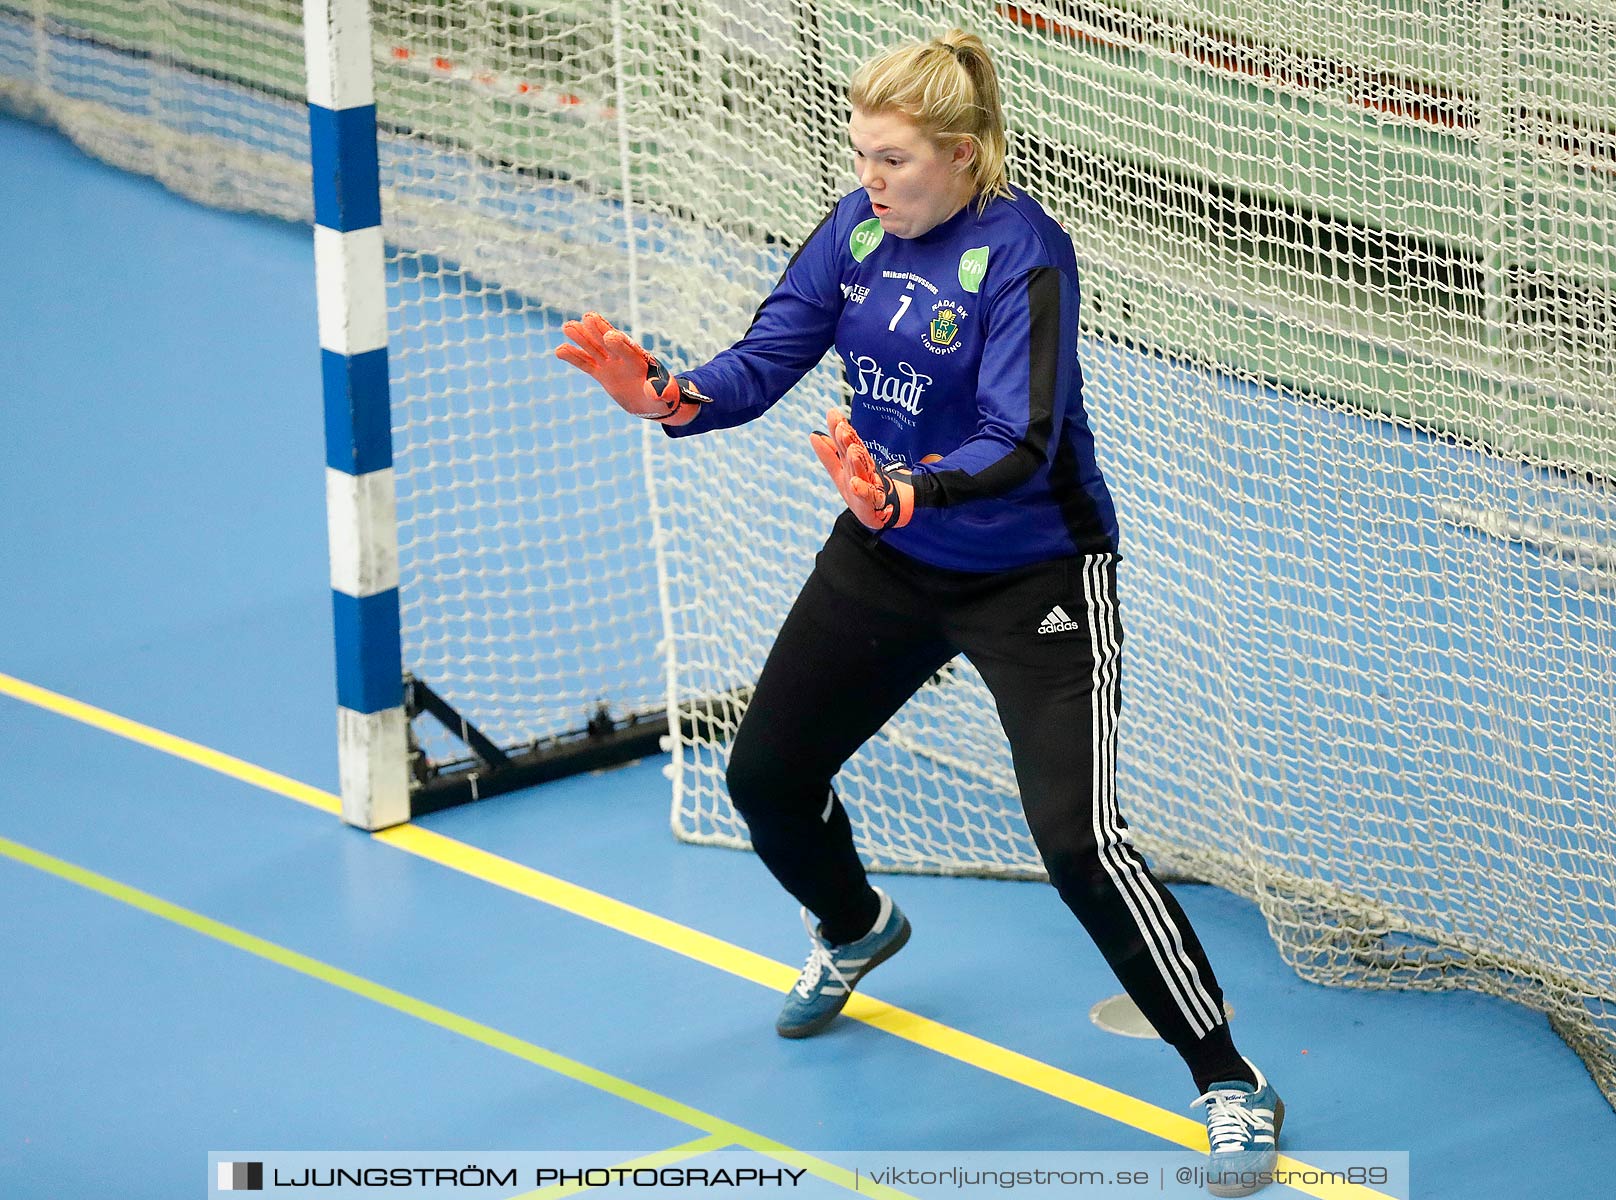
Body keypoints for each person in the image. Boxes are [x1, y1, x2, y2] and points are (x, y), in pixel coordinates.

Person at [557, 28, 1284, 1196]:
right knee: (765, 779)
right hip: (887, 555)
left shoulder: (1024, 258)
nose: (870, 179)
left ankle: (1226, 1080)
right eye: (861, 156)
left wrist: (908, 487)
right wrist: (671, 395)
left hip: (1030, 575)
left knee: (1077, 846)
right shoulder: (853, 231)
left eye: (893, 159)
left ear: (962, 154)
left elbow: (1020, 437)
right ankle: (853, 928)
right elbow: (768, 353)